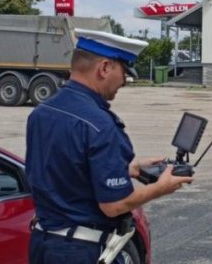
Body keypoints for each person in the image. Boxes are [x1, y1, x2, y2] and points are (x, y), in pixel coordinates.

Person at [26, 29, 193, 264]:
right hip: (81, 251)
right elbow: (113, 206)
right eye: (124, 71)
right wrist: (161, 188)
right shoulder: (100, 125)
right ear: (104, 68)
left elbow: (67, 172)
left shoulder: (43, 112)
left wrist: (128, 169)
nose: (125, 81)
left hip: (43, 244)